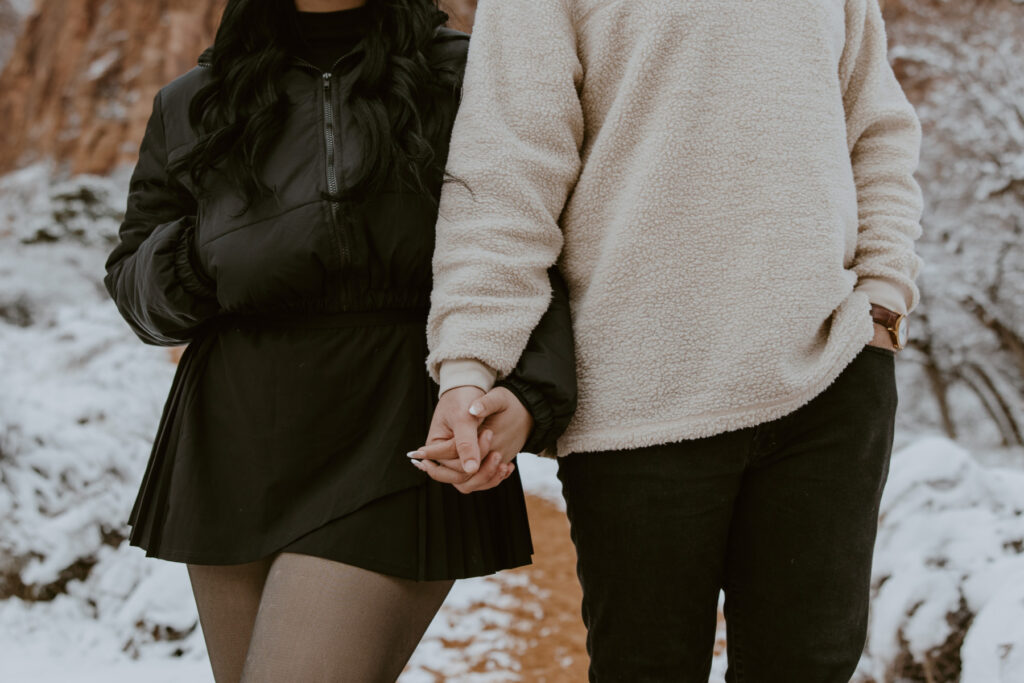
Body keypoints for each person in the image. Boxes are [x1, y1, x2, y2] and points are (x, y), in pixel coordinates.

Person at [414, 0, 923, 680]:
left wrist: (883, 304)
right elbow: (507, 174)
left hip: (832, 378)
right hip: (636, 402)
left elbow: (877, 126)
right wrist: (469, 365)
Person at [103, 1, 576, 681]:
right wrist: (206, 250)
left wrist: (529, 390)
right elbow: (132, 284)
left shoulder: (464, 75)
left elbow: (533, 243)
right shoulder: (197, 101)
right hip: (232, 440)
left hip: (393, 423)